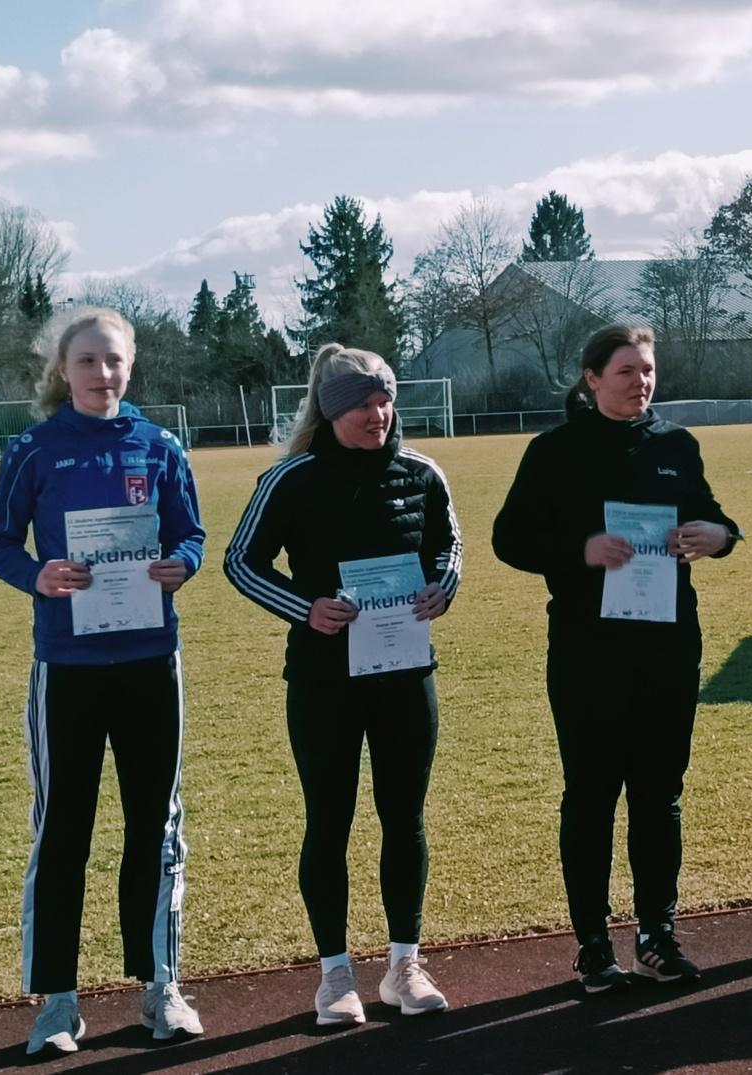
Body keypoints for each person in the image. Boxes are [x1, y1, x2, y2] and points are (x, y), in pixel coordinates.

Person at [0, 308, 207, 1053]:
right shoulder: (34, 450)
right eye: (87, 361)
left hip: (149, 661)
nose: (101, 374)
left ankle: (159, 983)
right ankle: (58, 1000)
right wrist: (37, 574)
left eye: (113, 361)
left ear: (129, 366)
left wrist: (184, 564)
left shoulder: (160, 444)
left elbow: (190, 534)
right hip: (68, 669)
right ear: (62, 369)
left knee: (157, 823)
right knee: (63, 828)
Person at [493, 324, 740, 993]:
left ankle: (657, 935)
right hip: (586, 651)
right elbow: (509, 538)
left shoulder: (673, 445)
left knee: (659, 795)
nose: (640, 381)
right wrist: (580, 548)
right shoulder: (555, 450)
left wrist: (717, 535)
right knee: (592, 794)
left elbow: (713, 519)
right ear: (591, 377)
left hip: (666, 644)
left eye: (648, 369)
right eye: (626, 370)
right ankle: (593, 943)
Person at [224, 344, 461, 1026]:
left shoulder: (421, 471)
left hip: (406, 674)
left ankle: (404, 965)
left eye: (384, 398)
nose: (376, 413)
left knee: (404, 815)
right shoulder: (291, 479)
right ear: (330, 411)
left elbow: (447, 543)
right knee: (329, 820)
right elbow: (241, 562)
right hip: (325, 681)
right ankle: (334, 975)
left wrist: (444, 585)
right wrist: (308, 607)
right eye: (361, 402)